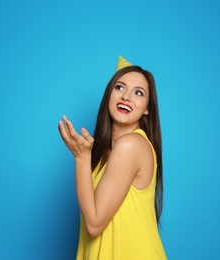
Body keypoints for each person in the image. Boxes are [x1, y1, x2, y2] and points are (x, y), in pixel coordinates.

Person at [58, 56, 167, 260]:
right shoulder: (103, 155)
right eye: (119, 87)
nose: (126, 97)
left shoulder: (131, 146)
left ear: (147, 109)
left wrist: (81, 158)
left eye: (138, 93)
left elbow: (94, 224)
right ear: (109, 94)